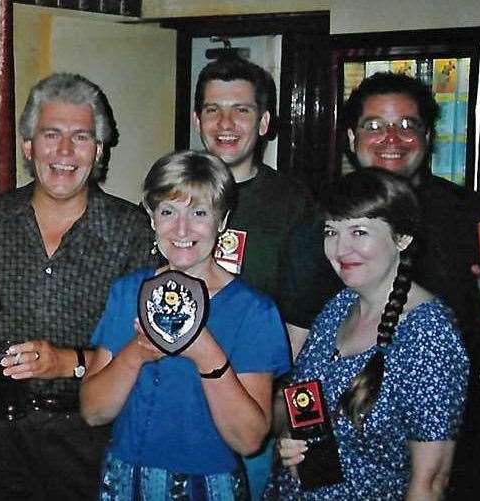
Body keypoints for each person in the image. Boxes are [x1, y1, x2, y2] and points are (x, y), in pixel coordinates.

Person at [280, 72, 480, 496]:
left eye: (406, 125)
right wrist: (292, 432)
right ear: (351, 136)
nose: (390, 138)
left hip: (448, 438)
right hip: (338, 446)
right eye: (373, 125)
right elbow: (301, 366)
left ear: (427, 135)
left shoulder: (476, 217)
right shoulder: (322, 224)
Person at [0, 73, 154, 499]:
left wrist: (66, 362)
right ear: (27, 146)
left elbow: (142, 350)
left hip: (91, 433)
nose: (65, 151)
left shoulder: (132, 230)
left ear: (100, 150)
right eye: (51, 134)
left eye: (82, 137)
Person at [80, 150, 291, 500]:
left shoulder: (254, 311)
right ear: (151, 218)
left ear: (222, 220)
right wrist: (137, 353)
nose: (181, 229)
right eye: (167, 211)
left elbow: (249, 439)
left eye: (199, 213)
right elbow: (93, 411)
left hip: (210, 485)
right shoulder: (128, 292)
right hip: (125, 479)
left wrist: (206, 354)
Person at [265, 168, 469, 500]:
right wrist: (288, 439)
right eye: (332, 231)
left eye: (359, 232)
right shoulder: (339, 306)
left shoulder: (429, 335)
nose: (340, 249)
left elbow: (430, 483)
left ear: (402, 238)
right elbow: (297, 402)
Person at [193, 54, 312, 499]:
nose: (225, 122)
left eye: (240, 109)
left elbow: (301, 322)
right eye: (212, 109)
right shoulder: (175, 190)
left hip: (254, 400)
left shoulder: (294, 203)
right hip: (179, 394)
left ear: (263, 122)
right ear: (197, 119)